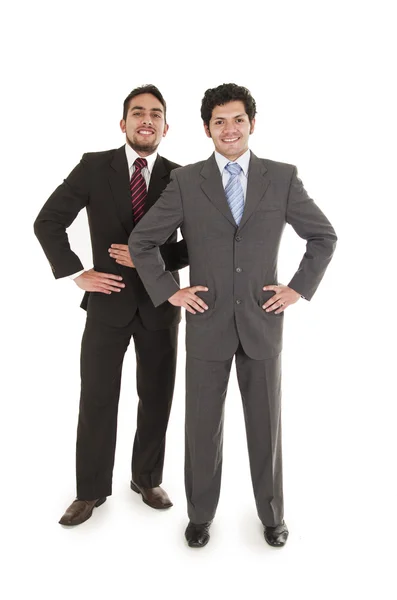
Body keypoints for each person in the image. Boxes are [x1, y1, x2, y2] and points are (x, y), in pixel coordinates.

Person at [128, 83, 337, 548]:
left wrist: (298, 289)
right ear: (206, 129)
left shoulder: (281, 178)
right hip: (207, 323)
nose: (229, 129)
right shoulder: (186, 182)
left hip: (263, 323)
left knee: (267, 428)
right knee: (202, 429)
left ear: (252, 125)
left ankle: (273, 516)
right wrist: (170, 292)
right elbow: (143, 241)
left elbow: (323, 236)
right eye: (219, 121)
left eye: (238, 119)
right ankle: (200, 515)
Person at [34, 84, 188, 526]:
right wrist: (74, 272)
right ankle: (89, 491)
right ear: (123, 124)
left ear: (165, 126)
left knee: (157, 397)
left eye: (155, 113)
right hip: (107, 301)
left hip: (160, 304)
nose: (146, 119)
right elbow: (47, 221)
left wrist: (151, 258)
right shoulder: (93, 167)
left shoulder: (181, 177)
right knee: (98, 397)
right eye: (138, 112)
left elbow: (195, 244)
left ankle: (146, 477)